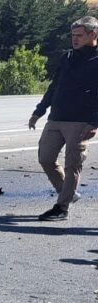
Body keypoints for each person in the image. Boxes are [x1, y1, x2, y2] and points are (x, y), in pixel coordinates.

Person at [29, 16, 98, 222]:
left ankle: (62, 207)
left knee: (72, 165)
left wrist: (95, 122)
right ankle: (67, 193)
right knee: (46, 158)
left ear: (93, 35)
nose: (74, 39)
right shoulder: (67, 57)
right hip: (57, 117)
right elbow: (54, 87)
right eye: (72, 35)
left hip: (81, 121)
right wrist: (39, 112)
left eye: (79, 35)